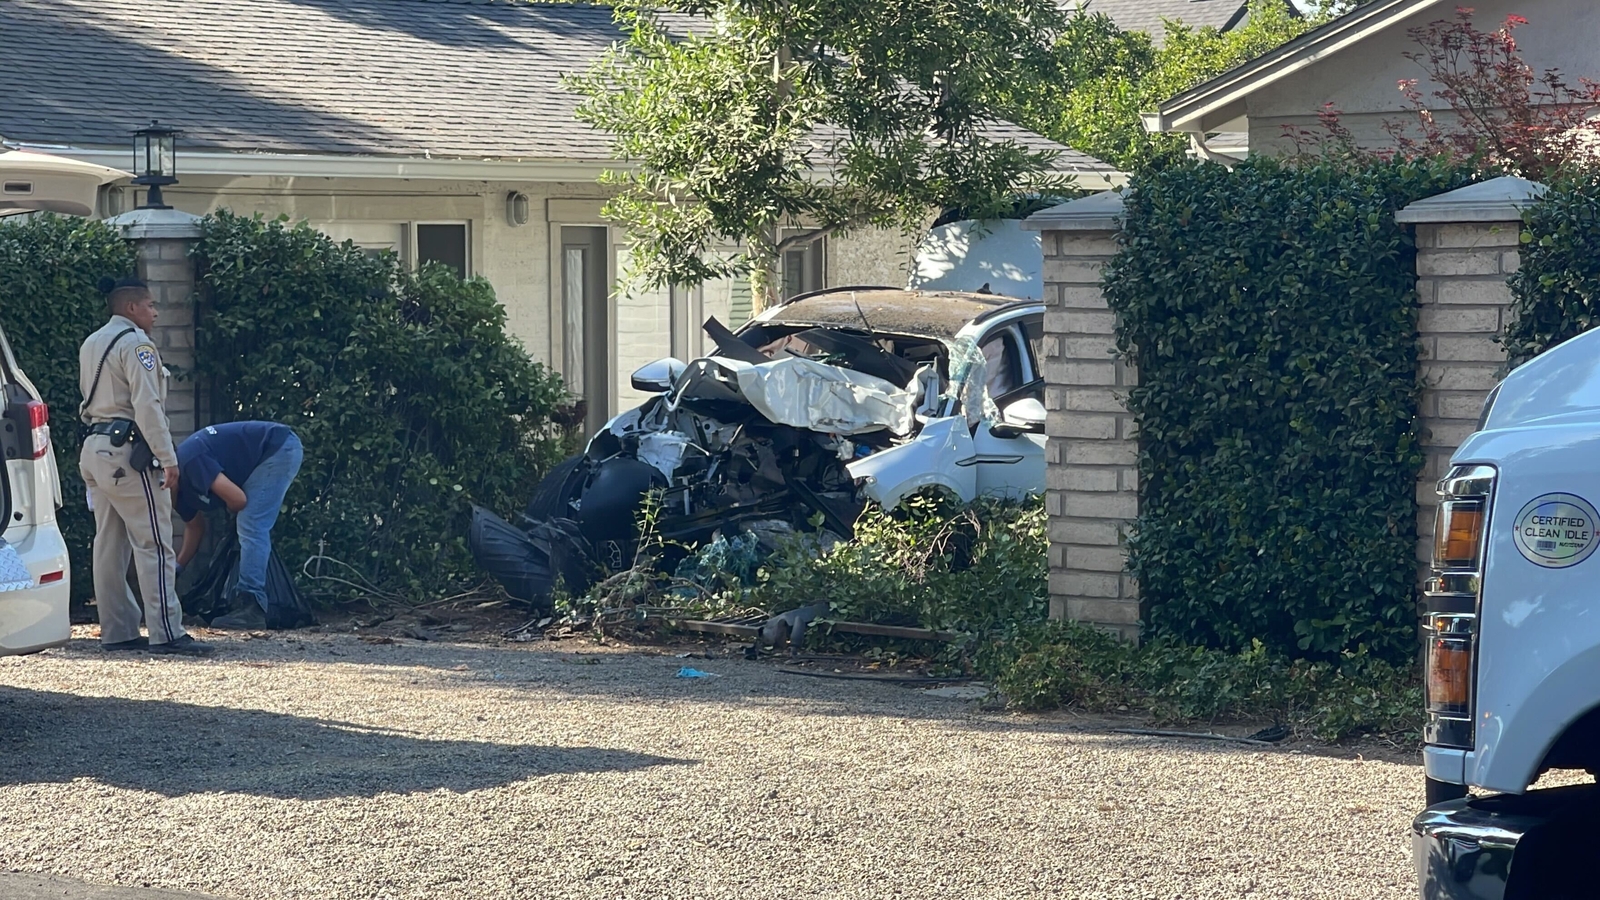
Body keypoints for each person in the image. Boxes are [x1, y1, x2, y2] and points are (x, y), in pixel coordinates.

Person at [78, 277, 212, 655]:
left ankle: (117, 630)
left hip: (95, 448)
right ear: (132, 308)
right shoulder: (137, 343)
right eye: (151, 305)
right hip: (129, 454)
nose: (155, 312)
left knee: (109, 543)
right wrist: (168, 458)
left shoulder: (92, 342)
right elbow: (148, 406)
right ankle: (167, 631)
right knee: (153, 541)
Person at [174, 421, 303, 628]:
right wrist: (178, 567)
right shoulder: (176, 492)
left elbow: (238, 500)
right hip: (265, 453)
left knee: (251, 524)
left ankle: (251, 607)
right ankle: (248, 602)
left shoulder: (189, 461)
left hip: (277, 448)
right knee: (249, 525)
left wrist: (230, 506)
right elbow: (195, 527)